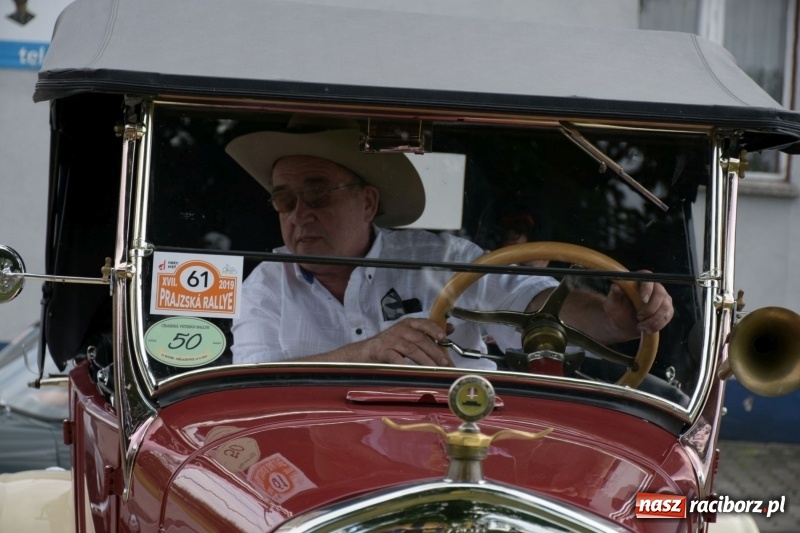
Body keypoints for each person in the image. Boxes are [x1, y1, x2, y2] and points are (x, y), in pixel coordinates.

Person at [225, 117, 674, 369]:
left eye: (318, 195)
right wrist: (367, 353)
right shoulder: (265, 285)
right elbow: (250, 387)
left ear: (368, 203)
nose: (299, 215)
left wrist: (614, 318)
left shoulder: (444, 259)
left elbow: (535, 309)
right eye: (284, 201)